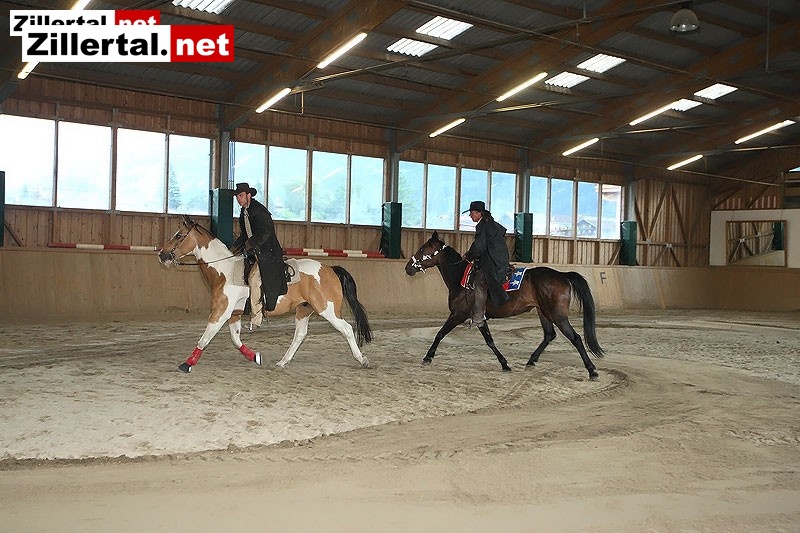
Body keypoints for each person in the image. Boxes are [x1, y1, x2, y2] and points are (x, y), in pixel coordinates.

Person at [230, 182, 287, 328]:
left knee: (253, 279)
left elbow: (267, 232)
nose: (238, 199)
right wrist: (234, 248)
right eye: (237, 196)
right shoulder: (244, 213)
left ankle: (256, 320)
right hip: (255, 253)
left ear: (248, 195)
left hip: (268, 253)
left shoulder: (259, 211)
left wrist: (251, 242)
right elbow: (245, 235)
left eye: (241, 196)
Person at [462, 200, 511, 328]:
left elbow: (479, 246)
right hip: (497, 258)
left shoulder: (483, 226)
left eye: (472, 213)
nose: (470, 215)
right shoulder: (490, 223)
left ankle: (478, 318)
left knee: (479, 283)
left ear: (479, 213)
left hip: (494, 261)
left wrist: (469, 256)